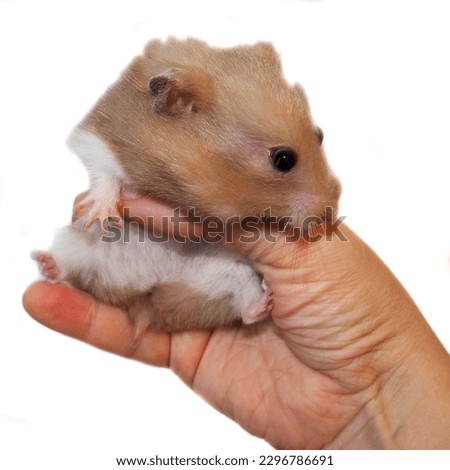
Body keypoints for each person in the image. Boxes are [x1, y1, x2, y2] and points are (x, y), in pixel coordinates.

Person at [23, 193, 450, 450]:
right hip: (137, 256)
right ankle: (66, 264)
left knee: (240, 280)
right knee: (87, 241)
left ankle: (72, 265)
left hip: (206, 278)